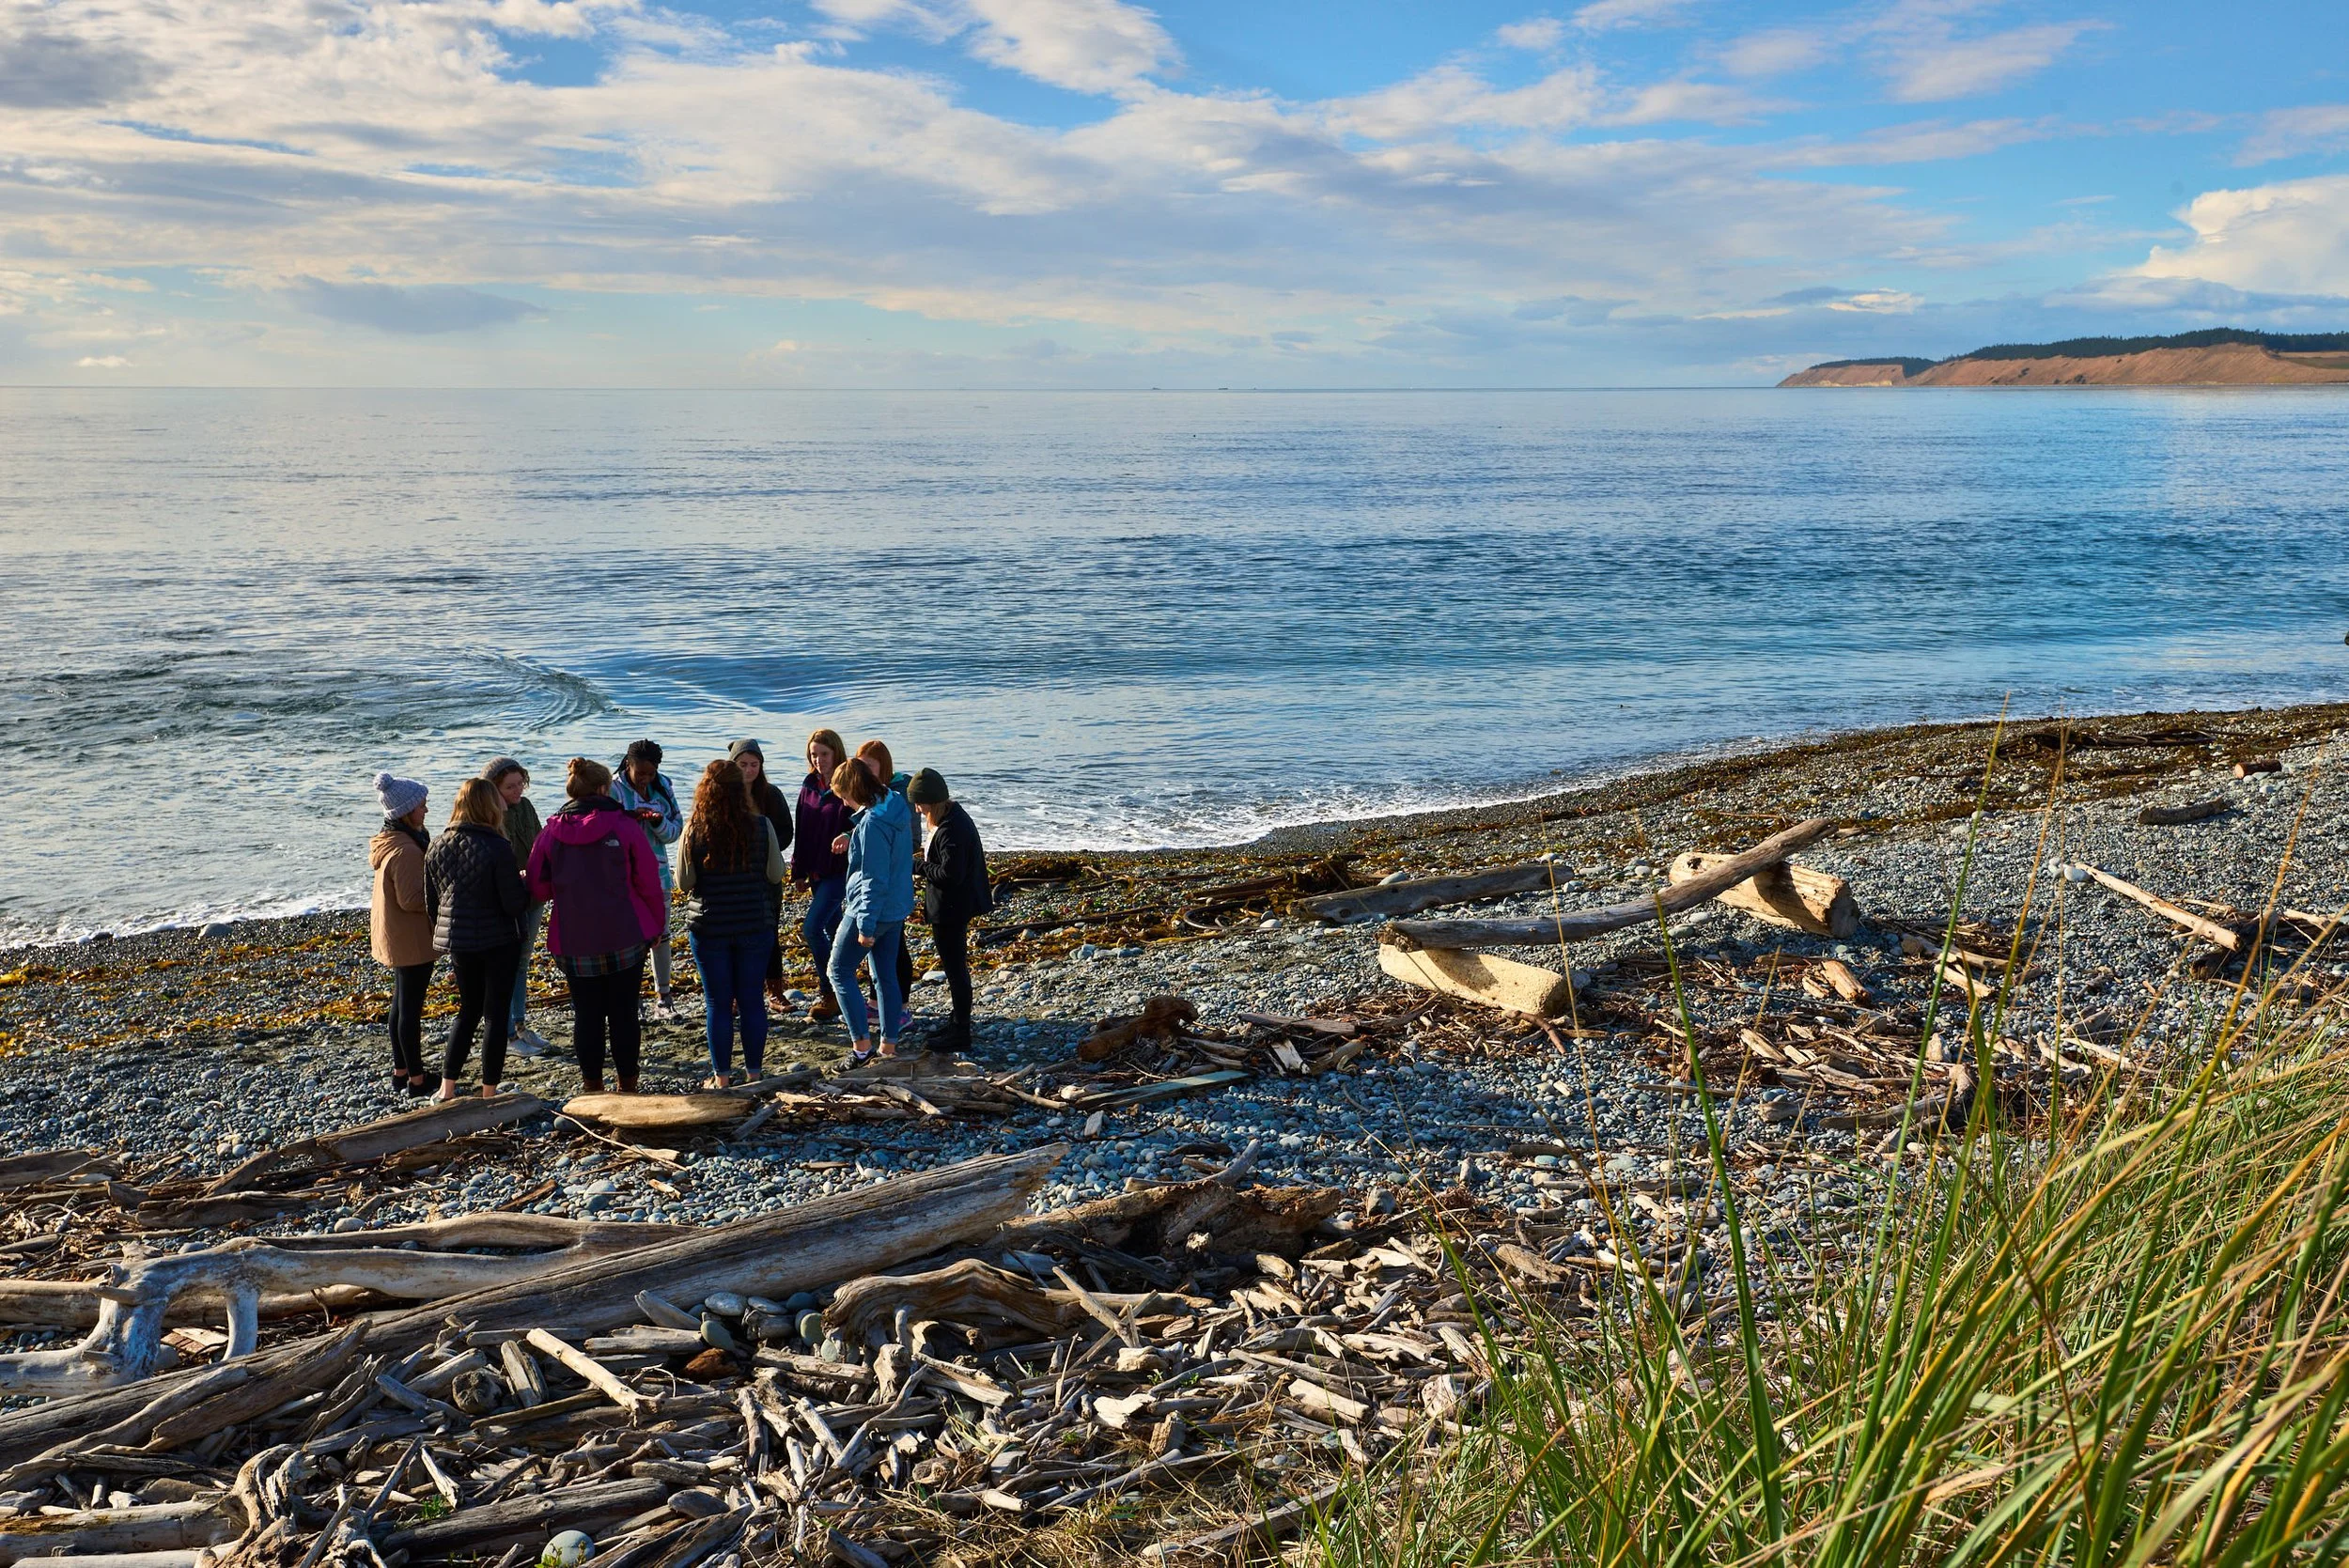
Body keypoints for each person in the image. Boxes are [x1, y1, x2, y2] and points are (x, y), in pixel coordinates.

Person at [527, 757, 664, 1094]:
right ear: (604, 789)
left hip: (574, 937)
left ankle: (592, 1087)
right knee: (623, 1014)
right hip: (625, 934)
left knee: (587, 1015)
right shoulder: (625, 826)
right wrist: (657, 927)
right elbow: (648, 881)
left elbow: (537, 888)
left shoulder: (549, 833)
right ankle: (627, 1086)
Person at [679, 758, 786, 1087]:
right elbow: (776, 874)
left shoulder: (695, 828)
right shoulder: (762, 825)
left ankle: (722, 1078)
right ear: (740, 790)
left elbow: (684, 882)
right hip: (755, 923)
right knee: (752, 999)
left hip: (710, 926)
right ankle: (754, 1074)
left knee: (718, 1002)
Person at [425, 778, 526, 1100]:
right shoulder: (497, 846)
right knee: (496, 1014)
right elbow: (512, 904)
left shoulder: (437, 844)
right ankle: (488, 1092)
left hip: (458, 940)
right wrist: (523, 884)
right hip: (498, 939)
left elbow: (432, 902)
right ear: (489, 806)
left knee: (467, 1011)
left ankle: (447, 1087)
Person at [827, 758, 914, 1065]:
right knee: (884, 974)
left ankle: (861, 1048)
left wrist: (864, 925)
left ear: (854, 790)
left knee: (838, 970)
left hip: (873, 910)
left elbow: (873, 878)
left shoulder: (874, 823)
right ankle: (888, 1046)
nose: (843, 802)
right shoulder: (895, 804)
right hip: (896, 907)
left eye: (843, 795)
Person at [908, 768, 991, 1056]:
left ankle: (962, 1031)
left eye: (920, 804)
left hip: (952, 907)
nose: (918, 809)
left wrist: (915, 866)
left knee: (955, 969)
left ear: (933, 801)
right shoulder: (951, 817)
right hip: (953, 904)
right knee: (954, 967)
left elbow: (949, 874)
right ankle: (957, 1021)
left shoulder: (952, 829)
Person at [369, 771, 437, 1095]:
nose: (425, 810)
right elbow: (412, 900)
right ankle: (417, 1080)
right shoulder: (407, 850)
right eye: (421, 806)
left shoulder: (391, 840)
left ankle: (402, 1071)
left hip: (396, 935)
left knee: (401, 1005)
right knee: (409, 1010)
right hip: (411, 938)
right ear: (406, 811)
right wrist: (443, 895)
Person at [611, 738, 683, 1017]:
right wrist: (631, 817)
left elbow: (676, 830)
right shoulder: (613, 788)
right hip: (624, 875)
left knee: (660, 935)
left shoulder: (663, 786)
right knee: (628, 938)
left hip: (658, 871)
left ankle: (664, 998)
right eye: (639, 773)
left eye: (649, 773)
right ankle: (631, 997)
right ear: (628, 765)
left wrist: (656, 822)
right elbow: (605, 828)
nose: (644, 779)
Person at [484, 757, 550, 1057]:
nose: (517, 791)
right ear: (492, 788)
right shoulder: (487, 814)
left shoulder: (525, 807)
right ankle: (508, 1032)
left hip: (532, 896)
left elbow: (538, 844)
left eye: (520, 784)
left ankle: (521, 1025)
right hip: (504, 902)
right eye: (510, 787)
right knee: (504, 966)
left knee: (523, 961)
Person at [791, 729, 853, 1020]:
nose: (818, 760)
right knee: (833, 928)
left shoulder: (848, 784)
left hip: (839, 871)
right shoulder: (809, 786)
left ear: (836, 753)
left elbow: (865, 819)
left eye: (824, 754)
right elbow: (801, 830)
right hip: (815, 871)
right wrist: (798, 872)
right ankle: (847, 988)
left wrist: (848, 835)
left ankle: (830, 990)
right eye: (813, 754)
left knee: (812, 928)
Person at [727, 739, 795, 1002]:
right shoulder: (723, 794)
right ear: (732, 765)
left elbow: (787, 833)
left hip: (765, 873)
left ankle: (776, 991)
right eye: (743, 764)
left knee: (769, 930)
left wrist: (761, 845)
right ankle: (734, 994)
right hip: (732, 875)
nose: (749, 770)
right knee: (732, 933)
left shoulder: (771, 794)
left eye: (754, 765)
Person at [854, 739, 919, 1010]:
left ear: (884, 766)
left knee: (895, 944)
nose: (865, 772)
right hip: (885, 880)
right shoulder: (871, 796)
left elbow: (913, 839)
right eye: (861, 766)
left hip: (893, 881)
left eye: (870, 766)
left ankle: (900, 1004)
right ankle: (876, 999)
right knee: (880, 946)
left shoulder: (896, 795)